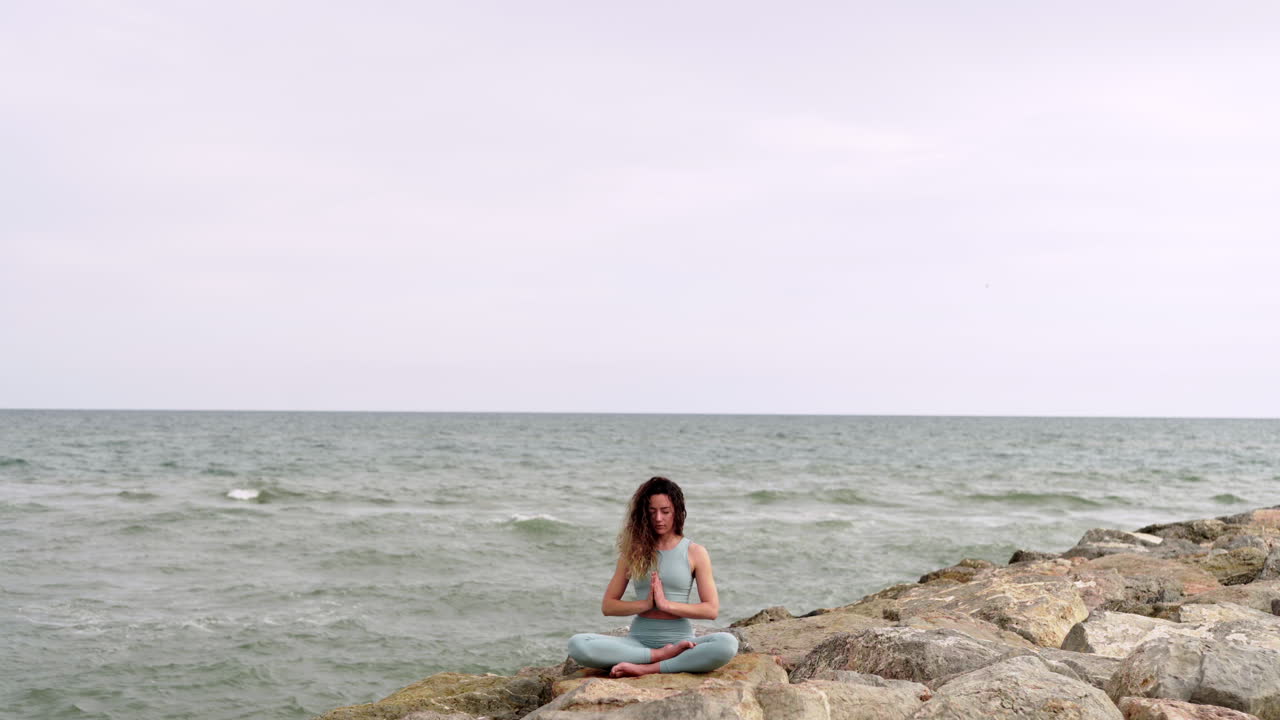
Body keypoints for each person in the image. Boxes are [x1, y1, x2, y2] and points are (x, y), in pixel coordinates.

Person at [566, 477, 739, 677]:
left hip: (681, 640)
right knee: (578, 644)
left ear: (677, 512)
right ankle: (657, 656)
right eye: (651, 512)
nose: (658, 518)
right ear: (643, 514)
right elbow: (609, 606)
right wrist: (646, 604)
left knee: (727, 644)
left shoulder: (695, 552)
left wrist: (666, 605)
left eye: (665, 511)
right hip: (637, 641)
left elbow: (711, 609)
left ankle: (646, 667)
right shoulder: (632, 552)